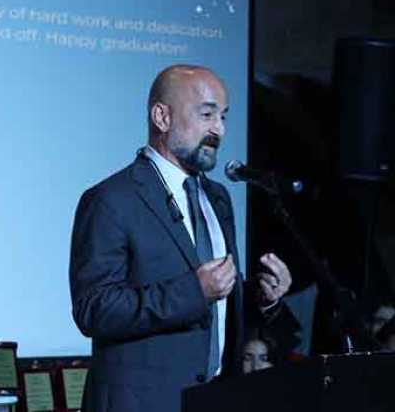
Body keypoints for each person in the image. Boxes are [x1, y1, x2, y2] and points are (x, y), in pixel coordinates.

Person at [69, 65, 293, 412]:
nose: (219, 129)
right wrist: (194, 291)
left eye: (223, 117)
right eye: (206, 114)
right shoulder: (111, 200)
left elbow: (218, 308)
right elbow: (94, 309)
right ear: (162, 117)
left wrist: (260, 298)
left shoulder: (218, 198)